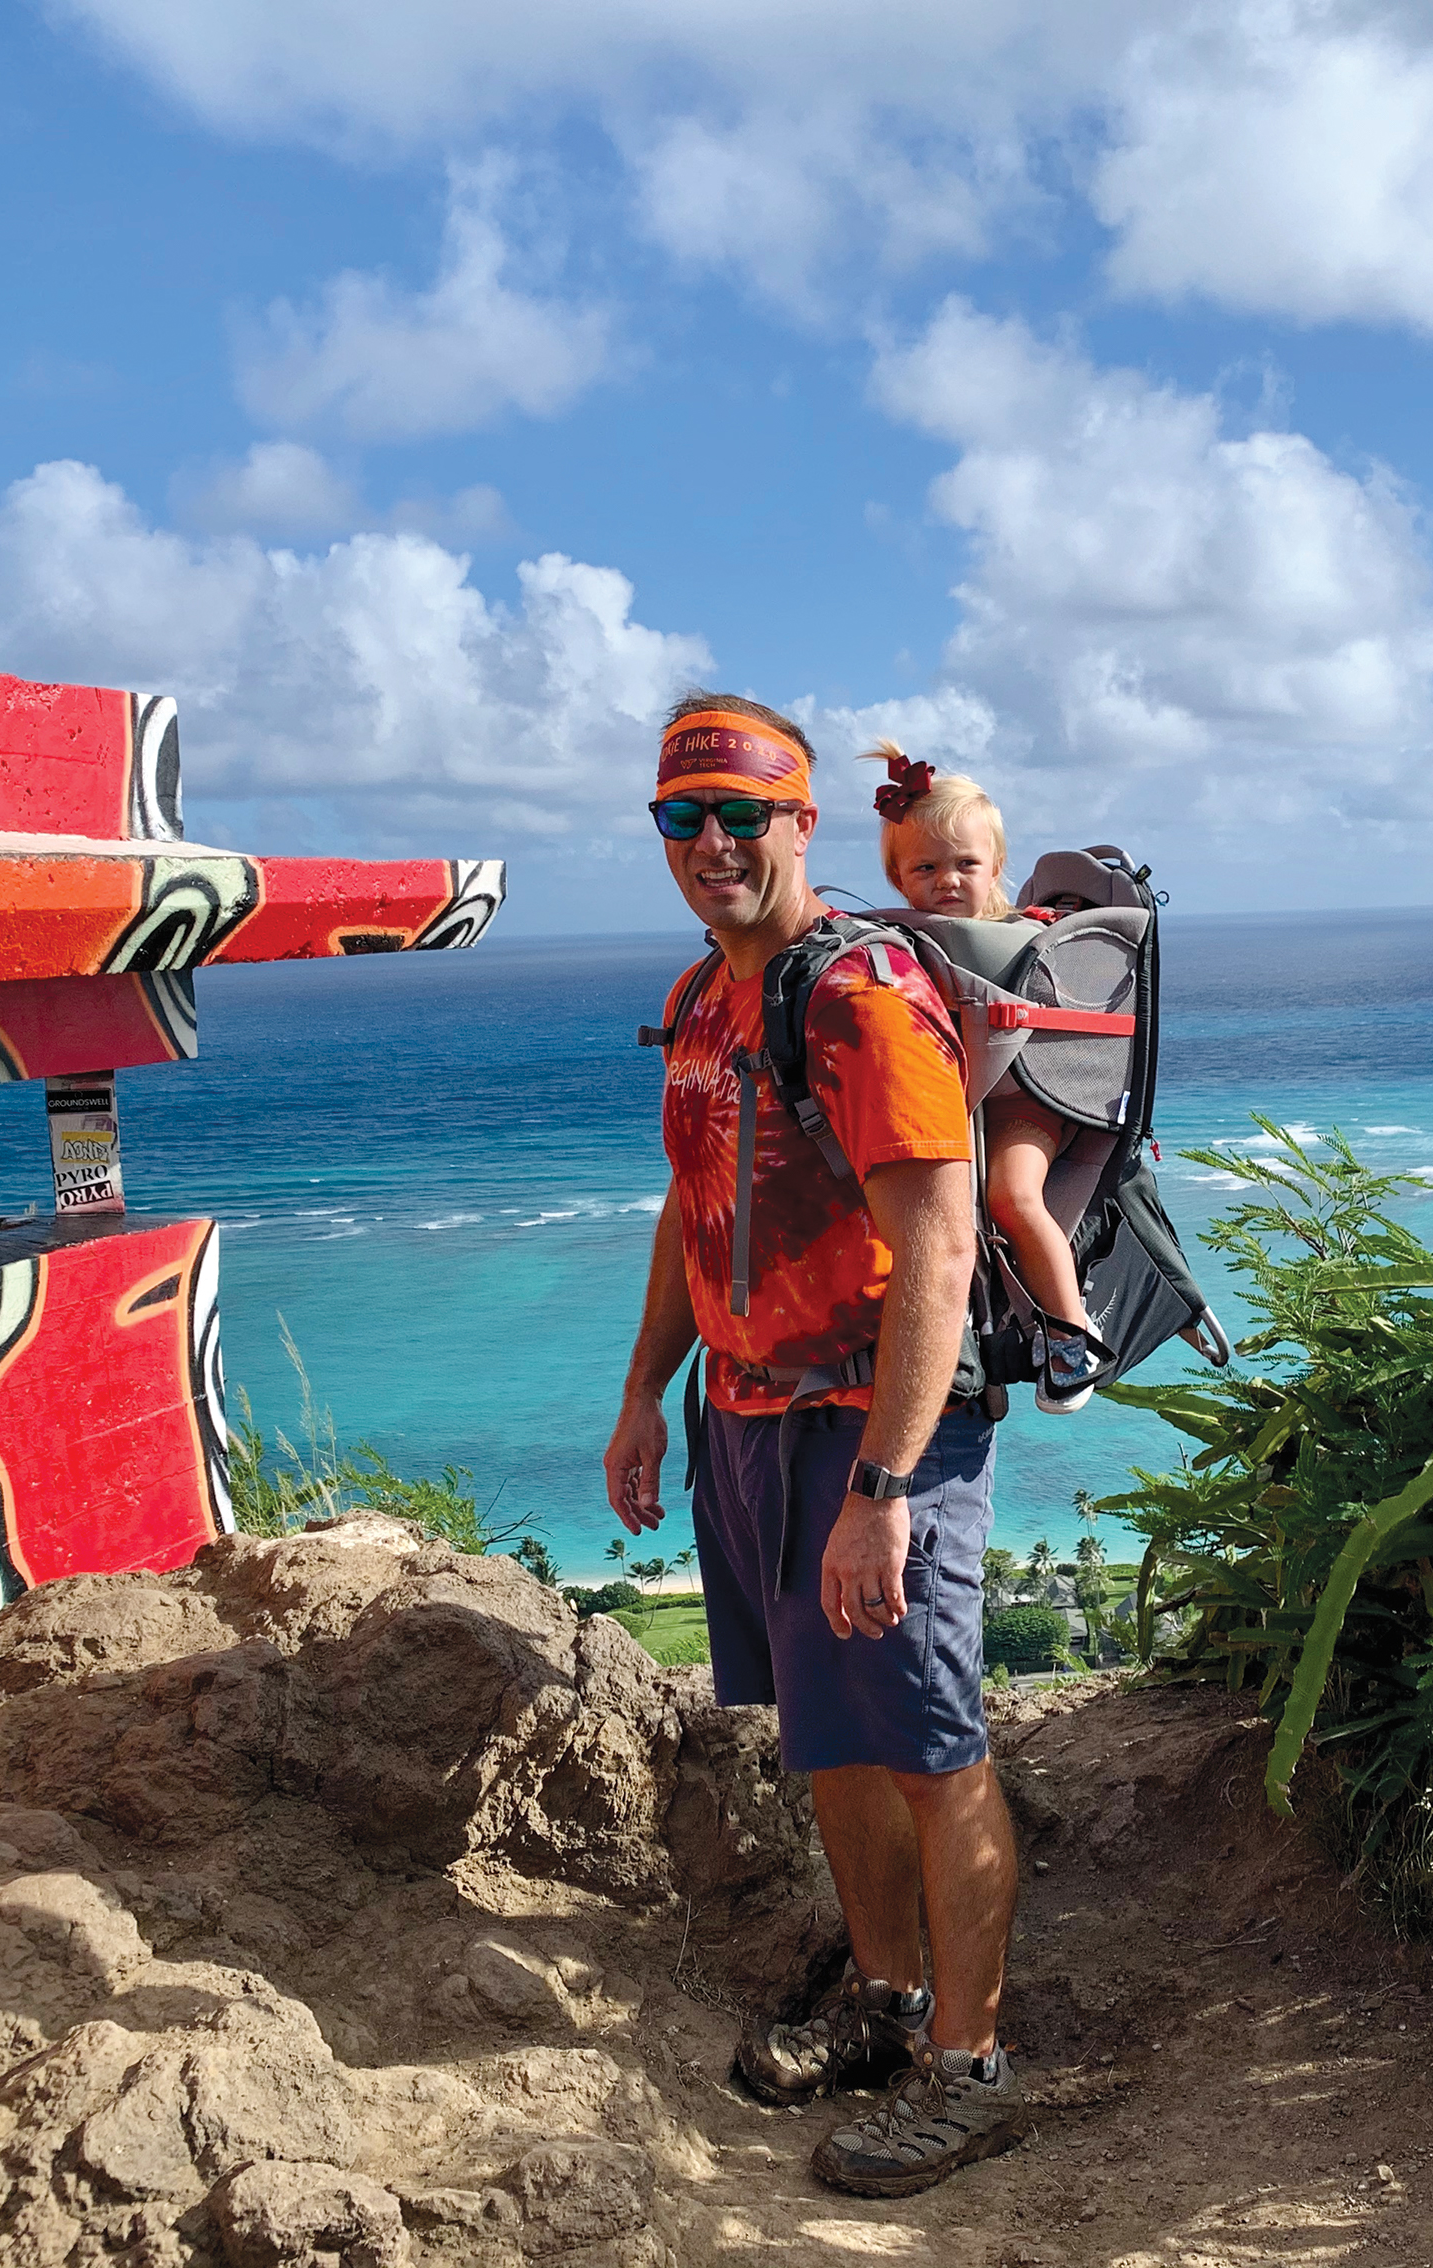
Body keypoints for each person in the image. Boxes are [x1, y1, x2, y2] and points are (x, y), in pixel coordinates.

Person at [603, 695, 1030, 2197]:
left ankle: (970, 2065)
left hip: (867, 1422)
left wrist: (887, 1486)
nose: (712, 843)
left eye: (742, 816)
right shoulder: (710, 997)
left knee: (929, 1742)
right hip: (747, 1416)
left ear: (800, 826)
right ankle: (886, 1989)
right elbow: (690, 1201)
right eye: (682, 817)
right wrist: (647, 1392)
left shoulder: (853, 999)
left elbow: (940, 1245)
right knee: (829, 1731)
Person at [864, 744, 1099, 1413]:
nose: (948, 880)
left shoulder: (1024, 932)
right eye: (926, 867)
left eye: (967, 863)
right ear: (898, 879)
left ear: (996, 866)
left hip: (1032, 1098)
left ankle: (1072, 1333)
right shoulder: (900, 943)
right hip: (959, 1108)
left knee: (1012, 1198)